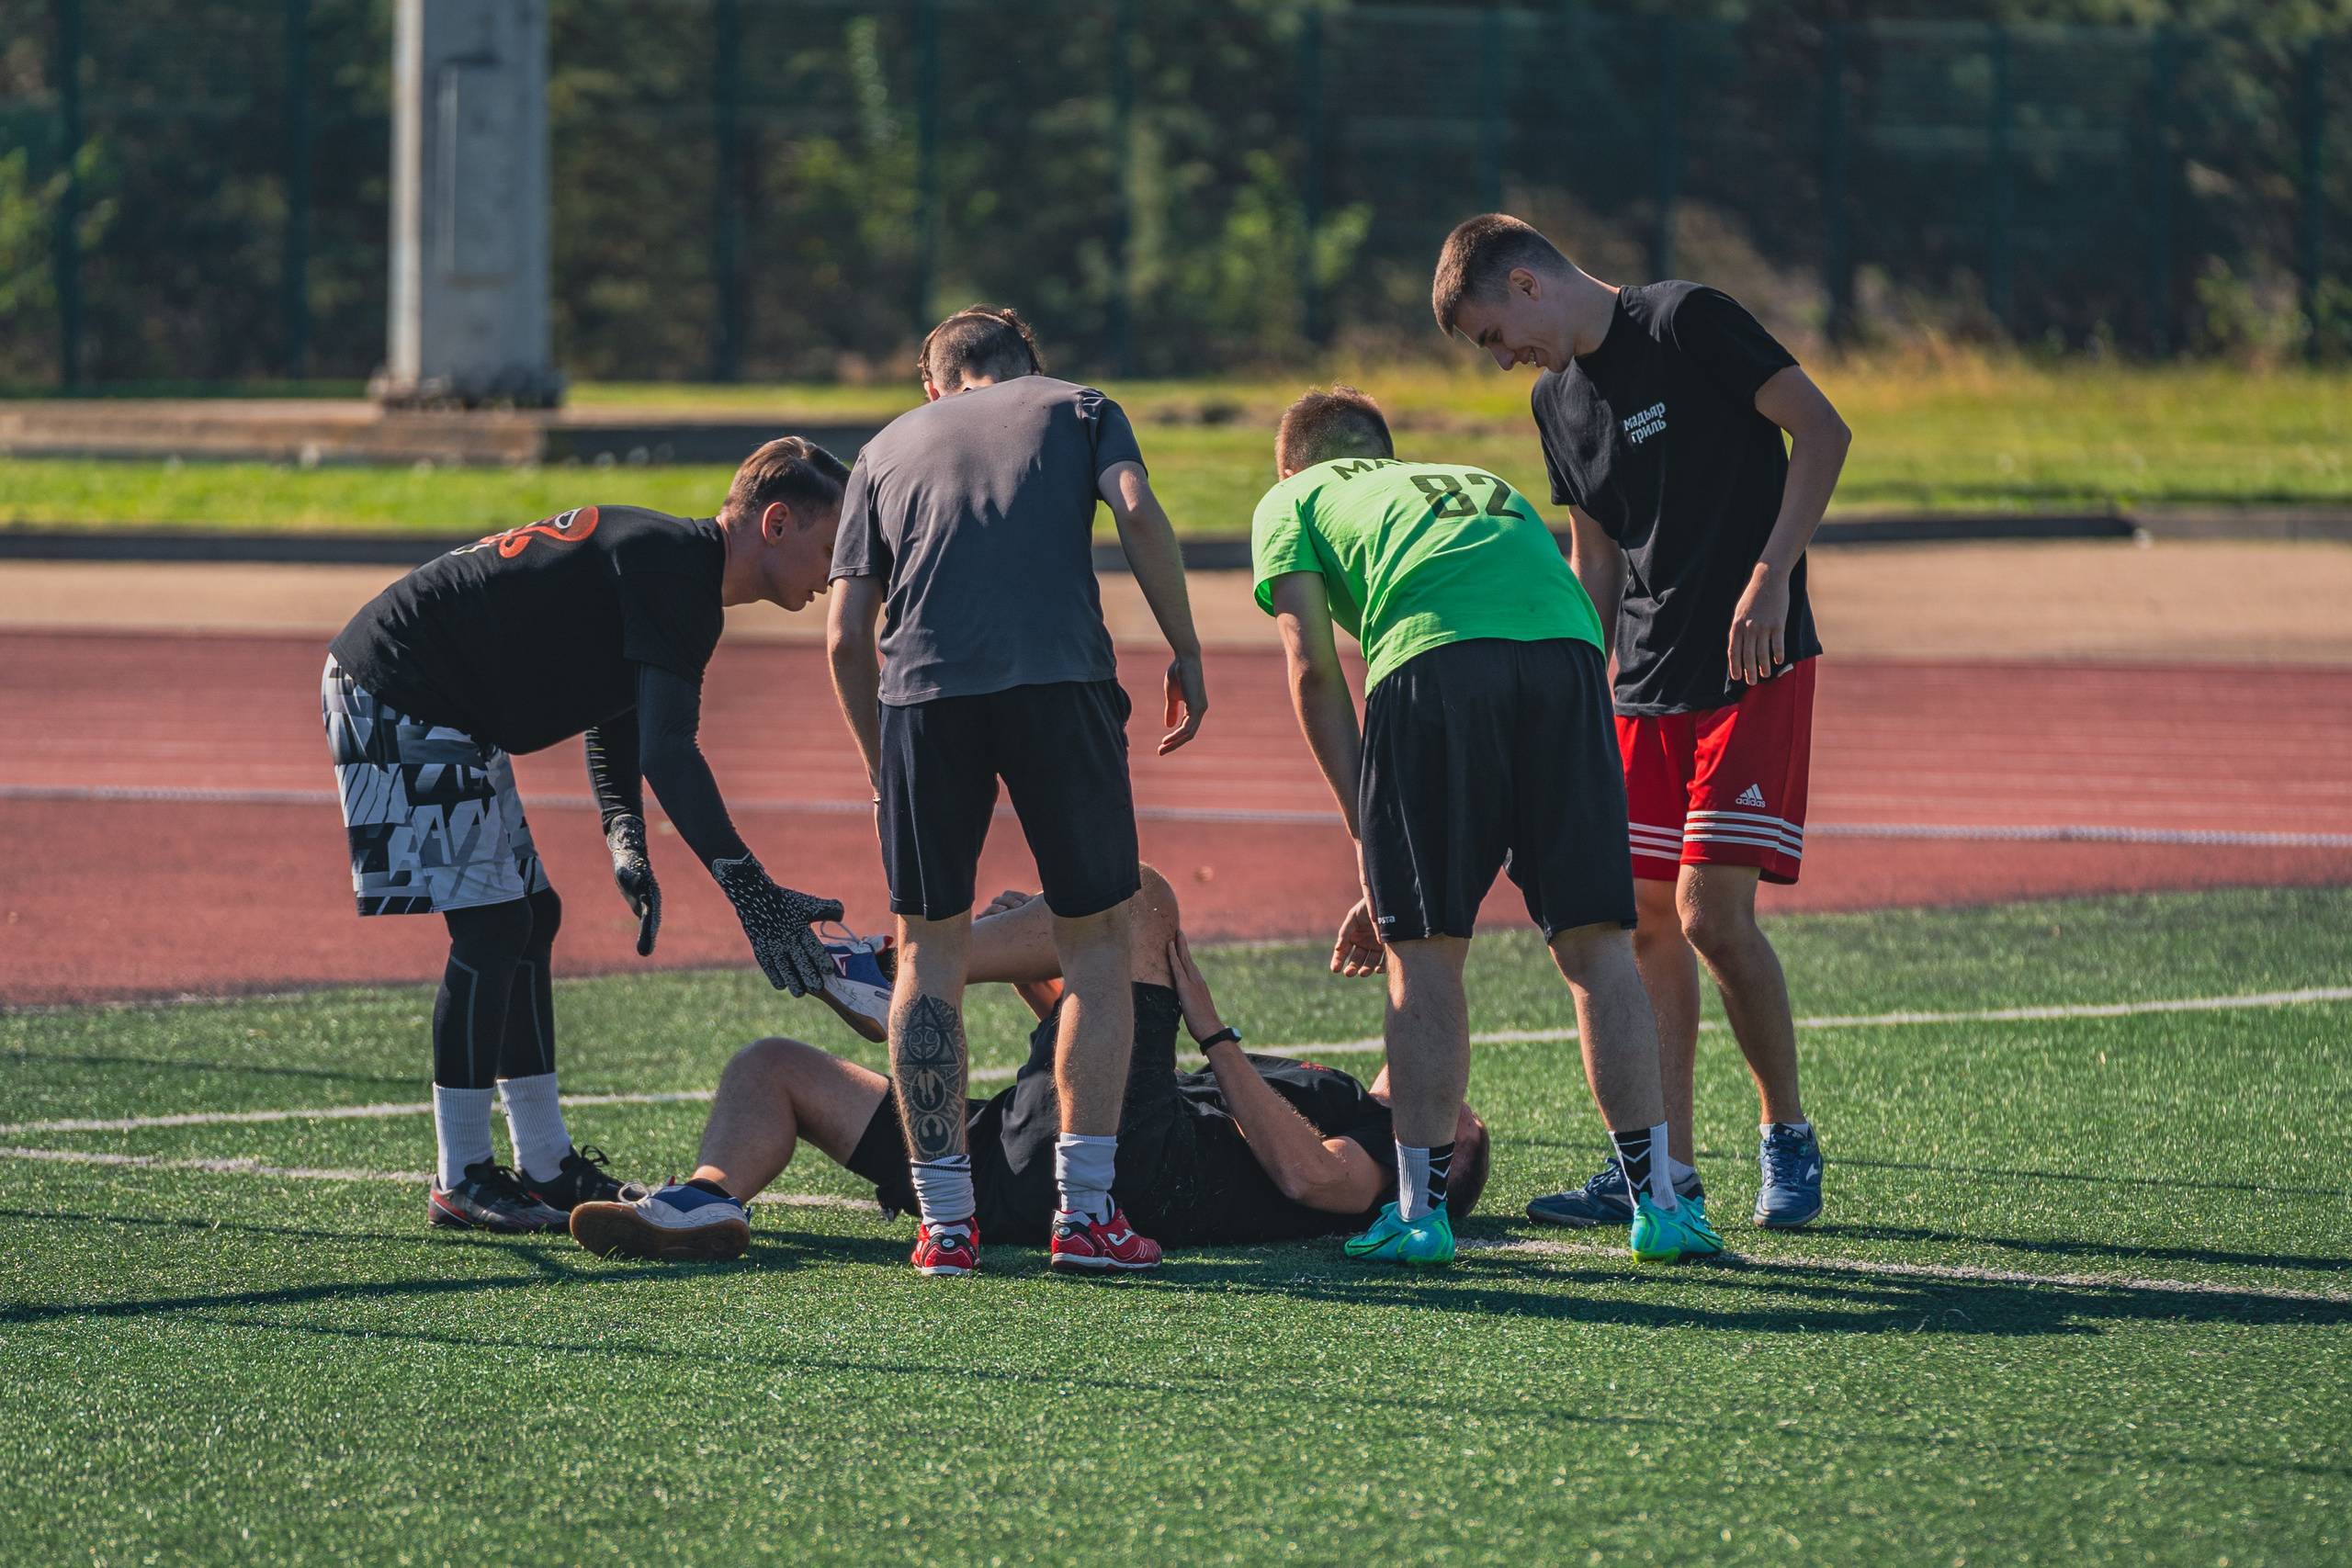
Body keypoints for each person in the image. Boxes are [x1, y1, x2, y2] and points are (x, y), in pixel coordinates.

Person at [1431, 213, 1850, 1230]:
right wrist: (1576, 681)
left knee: (1712, 915)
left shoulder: (1683, 322)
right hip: (1641, 684)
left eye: (1493, 335)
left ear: (1527, 284)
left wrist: (1771, 576)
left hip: (1752, 660)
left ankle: (1784, 1137)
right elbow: (1597, 561)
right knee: (1637, 921)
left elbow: (1822, 430)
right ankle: (1663, 1169)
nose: (1502, 360)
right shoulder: (1552, 401)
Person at [322, 437, 857, 1233]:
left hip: (440, 698)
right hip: (400, 684)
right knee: (495, 924)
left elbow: (619, 717)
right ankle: (462, 1175)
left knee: (531, 917)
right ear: (776, 523)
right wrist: (753, 892)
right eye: (831, 549)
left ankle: (545, 1164)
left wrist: (623, 833)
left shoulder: (676, 566)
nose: (837, 575)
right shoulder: (679, 572)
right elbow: (671, 750)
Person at [1249, 385, 1721, 1269]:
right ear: (1381, 452)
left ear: (1290, 465)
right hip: (1572, 663)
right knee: (1599, 949)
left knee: (1423, 953)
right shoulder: (1464, 478)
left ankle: (1419, 1215)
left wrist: (1369, 835)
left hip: (1434, 661)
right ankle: (1661, 1203)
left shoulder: (1292, 497)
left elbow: (1314, 670)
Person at [826, 307, 1208, 1277]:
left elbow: (842, 636)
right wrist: (1187, 650)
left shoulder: (881, 447)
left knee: (926, 952)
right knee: (1095, 941)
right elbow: (1138, 513)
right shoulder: (1080, 409)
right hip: (1058, 682)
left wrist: (883, 768)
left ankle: (943, 1225)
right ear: (1027, 366)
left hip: (921, 694)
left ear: (933, 383)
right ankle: (1083, 1216)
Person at [568, 867, 1490, 1266]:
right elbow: (1108, 1056)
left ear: (1445, 1157)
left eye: (1464, 1124)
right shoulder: (1353, 1098)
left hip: (1131, 1175)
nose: (1459, 1100)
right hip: (1033, 1158)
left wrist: (1211, 1030)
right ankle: (706, 1196)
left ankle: (907, 967)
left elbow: (1304, 1175)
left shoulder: (1383, 1166)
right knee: (771, 1066)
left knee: (1135, 899)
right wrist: (1050, 977)